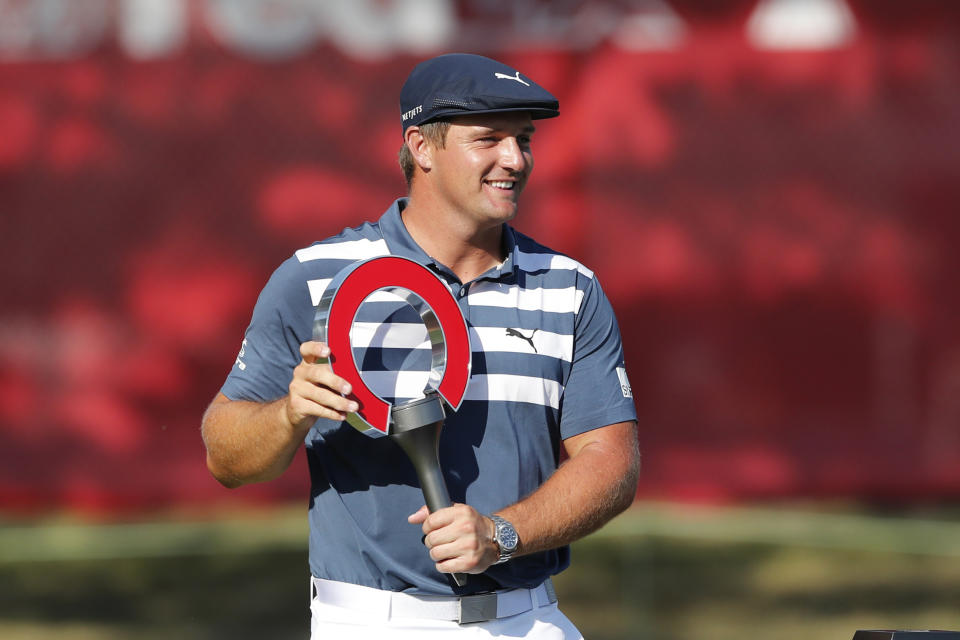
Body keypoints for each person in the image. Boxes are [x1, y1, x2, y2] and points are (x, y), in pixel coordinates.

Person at [201, 53, 639, 639]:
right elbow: (224, 457)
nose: (515, 160)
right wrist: (287, 414)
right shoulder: (314, 278)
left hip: (529, 620)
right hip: (369, 623)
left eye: (523, 140)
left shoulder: (569, 288)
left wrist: (502, 534)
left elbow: (611, 462)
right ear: (422, 147)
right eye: (489, 139)